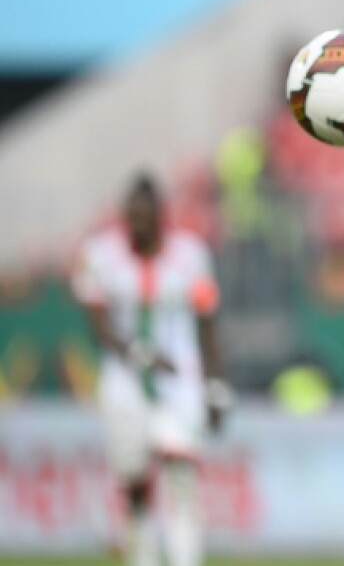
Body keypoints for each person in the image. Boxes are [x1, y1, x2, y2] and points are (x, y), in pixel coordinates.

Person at [72, 173, 232, 566]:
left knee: (181, 472)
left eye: (144, 216)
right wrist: (140, 355)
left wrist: (215, 385)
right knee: (136, 481)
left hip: (179, 377)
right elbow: (99, 325)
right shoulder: (100, 254)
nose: (137, 224)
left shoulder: (191, 254)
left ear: (161, 215)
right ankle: (142, 556)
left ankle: (184, 559)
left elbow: (206, 322)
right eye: (131, 216)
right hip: (124, 380)